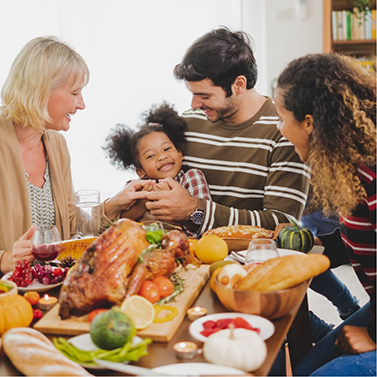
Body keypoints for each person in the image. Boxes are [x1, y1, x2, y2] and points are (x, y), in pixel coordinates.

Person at [0, 36, 150, 275]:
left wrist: (116, 203)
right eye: (75, 92)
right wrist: (6, 259)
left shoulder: (56, 144)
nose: (82, 104)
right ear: (40, 91)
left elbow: (69, 228)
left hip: (52, 285)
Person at [144, 27, 310, 235]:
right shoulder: (188, 122)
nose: (194, 104)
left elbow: (283, 223)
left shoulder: (284, 131)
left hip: (254, 262)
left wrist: (194, 210)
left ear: (238, 84)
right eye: (193, 94)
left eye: (204, 96)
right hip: (187, 258)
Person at [274, 53, 376, 376]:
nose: (279, 129)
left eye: (280, 118)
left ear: (309, 122)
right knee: (304, 369)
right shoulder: (354, 165)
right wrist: (321, 244)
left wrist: (372, 336)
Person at [103, 102, 211, 227]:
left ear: (180, 153)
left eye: (167, 149)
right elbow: (119, 223)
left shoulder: (192, 178)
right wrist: (143, 203)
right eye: (151, 156)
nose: (162, 157)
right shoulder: (135, 188)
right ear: (140, 172)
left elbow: (204, 220)